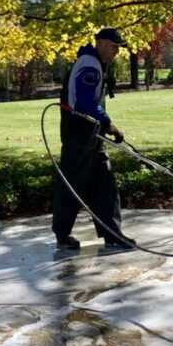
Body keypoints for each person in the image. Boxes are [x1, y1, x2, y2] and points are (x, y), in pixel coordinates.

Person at [52, 28, 135, 251]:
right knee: (72, 184)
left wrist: (103, 127)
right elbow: (85, 102)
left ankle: (113, 234)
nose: (116, 51)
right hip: (79, 133)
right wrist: (109, 125)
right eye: (112, 46)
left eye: (118, 48)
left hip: (90, 133)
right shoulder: (89, 64)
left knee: (104, 182)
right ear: (99, 42)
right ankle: (62, 234)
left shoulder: (94, 62)